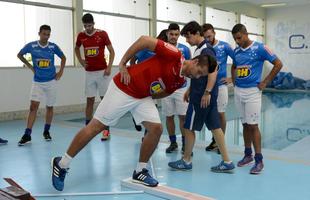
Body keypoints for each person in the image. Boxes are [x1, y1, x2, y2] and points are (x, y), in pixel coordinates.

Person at [51, 35, 216, 191]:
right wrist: (122, 64)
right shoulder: (174, 54)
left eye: (202, 75)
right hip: (124, 86)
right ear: (194, 61)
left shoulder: (180, 80)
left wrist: (149, 95)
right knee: (97, 126)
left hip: (141, 96)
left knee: (156, 129)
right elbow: (144, 40)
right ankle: (62, 163)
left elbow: (164, 92)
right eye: (199, 72)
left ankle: (140, 171)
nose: (198, 76)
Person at [168, 21, 235, 173]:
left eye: (187, 36)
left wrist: (207, 92)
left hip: (202, 96)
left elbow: (213, 71)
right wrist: (190, 89)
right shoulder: (200, 49)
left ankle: (186, 160)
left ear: (196, 33)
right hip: (200, 93)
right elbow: (198, 73)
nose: (186, 40)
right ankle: (227, 161)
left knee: (189, 127)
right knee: (215, 127)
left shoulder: (206, 50)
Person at [231, 24, 282, 174]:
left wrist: (265, 81)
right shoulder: (236, 51)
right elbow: (234, 66)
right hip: (239, 91)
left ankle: (259, 160)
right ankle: (248, 155)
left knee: (253, 126)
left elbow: (278, 64)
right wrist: (234, 81)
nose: (237, 41)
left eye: (239, 38)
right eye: (235, 39)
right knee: (245, 125)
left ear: (246, 34)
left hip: (253, 92)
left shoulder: (260, 48)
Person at [17, 25, 66, 146]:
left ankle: (46, 131)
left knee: (49, 107)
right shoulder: (32, 46)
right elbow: (19, 55)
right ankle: (27, 134)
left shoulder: (53, 46)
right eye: (44, 34)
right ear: (39, 33)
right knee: (33, 107)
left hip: (51, 81)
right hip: (37, 81)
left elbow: (63, 57)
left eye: (48, 34)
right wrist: (30, 67)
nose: (46, 36)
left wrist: (60, 72)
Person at [75, 13, 115, 141]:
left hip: (103, 73)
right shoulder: (81, 36)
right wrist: (81, 61)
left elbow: (112, 51)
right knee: (90, 101)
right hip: (89, 73)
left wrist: (109, 67)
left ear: (93, 23)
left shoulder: (102, 34)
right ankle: (87, 129)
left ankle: (106, 131)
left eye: (90, 25)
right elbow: (76, 49)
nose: (88, 28)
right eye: (85, 26)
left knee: (105, 101)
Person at [202, 23, 234, 152]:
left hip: (220, 86)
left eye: (209, 36)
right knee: (211, 115)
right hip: (208, 87)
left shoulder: (225, 46)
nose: (208, 39)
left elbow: (237, 61)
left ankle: (221, 143)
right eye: (205, 37)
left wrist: (232, 78)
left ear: (214, 33)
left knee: (220, 114)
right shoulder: (204, 47)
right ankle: (215, 141)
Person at [129, 29, 168, 133]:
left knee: (152, 105)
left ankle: (147, 133)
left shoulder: (165, 51)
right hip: (141, 80)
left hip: (155, 82)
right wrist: (134, 73)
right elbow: (132, 60)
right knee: (138, 102)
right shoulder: (148, 47)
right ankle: (135, 118)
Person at [162, 23, 191, 154]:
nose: (174, 37)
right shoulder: (161, 48)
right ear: (167, 33)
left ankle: (185, 144)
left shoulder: (185, 49)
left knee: (183, 117)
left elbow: (191, 67)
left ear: (179, 34)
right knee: (169, 116)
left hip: (181, 88)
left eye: (176, 34)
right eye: (171, 34)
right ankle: (173, 142)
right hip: (166, 89)